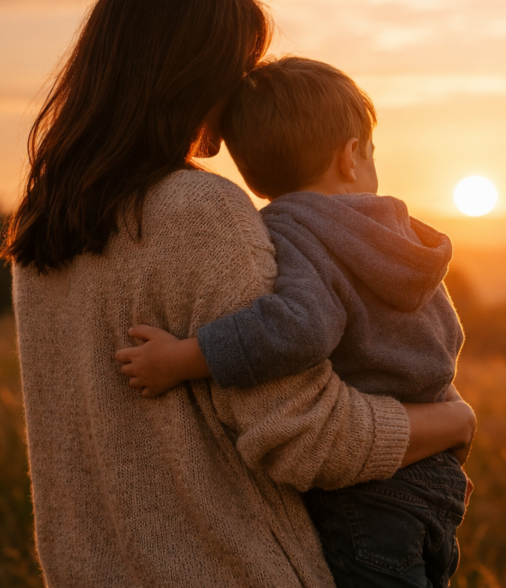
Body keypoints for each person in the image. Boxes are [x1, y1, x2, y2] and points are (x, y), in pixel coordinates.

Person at [2, 0, 476, 587]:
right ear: (191, 74)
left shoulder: (45, 229)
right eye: (242, 70)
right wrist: (453, 421)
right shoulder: (198, 210)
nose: (245, 97)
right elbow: (307, 436)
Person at [116, 56, 473, 587]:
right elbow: (447, 337)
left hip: (367, 491)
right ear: (352, 157)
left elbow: (298, 329)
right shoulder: (402, 235)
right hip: (438, 479)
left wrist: (181, 358)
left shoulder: (293, 228)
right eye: (373, 151)